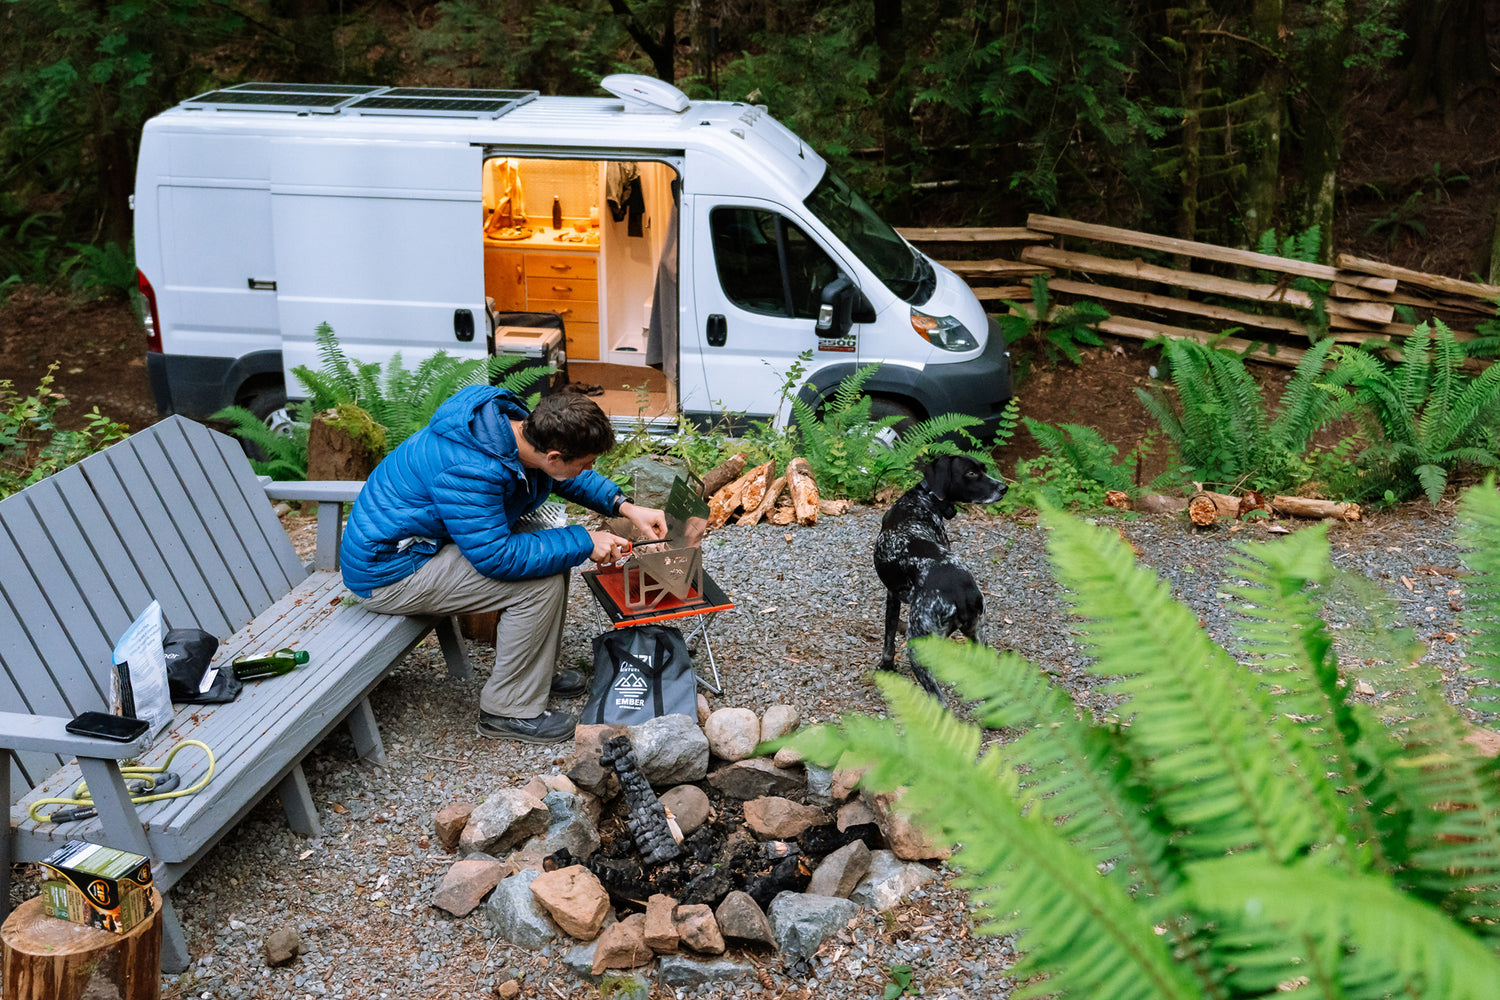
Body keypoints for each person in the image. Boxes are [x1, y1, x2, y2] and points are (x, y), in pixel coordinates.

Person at [339, 385, 667, 743]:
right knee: (539, 583)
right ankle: (507, 710)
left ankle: (532, 676)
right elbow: (495, 557)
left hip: (430, 543)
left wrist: (625, 506)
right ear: (554, 455)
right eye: (586, 462)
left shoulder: (515, 429)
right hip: (390, 569)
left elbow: (566, 475)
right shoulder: (470, 467)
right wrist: (585, 541)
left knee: (548, 550)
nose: (590, 468)